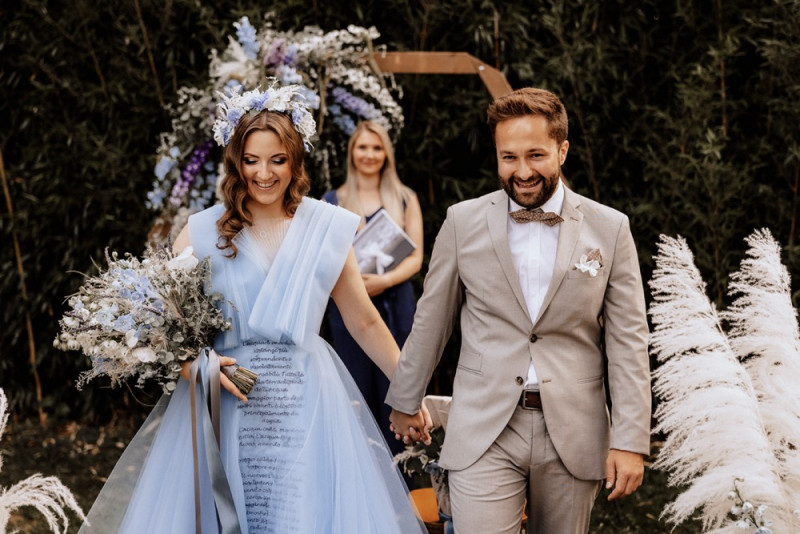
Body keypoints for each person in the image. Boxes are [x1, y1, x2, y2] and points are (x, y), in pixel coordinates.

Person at [79, 85, 428, 533]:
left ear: (295, 160)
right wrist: (193, 367)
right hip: (225, 405)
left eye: (277, 160)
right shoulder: (202, 231)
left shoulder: (328, 228)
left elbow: (362, 320)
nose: (264, 173)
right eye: (251, 160)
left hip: (305, 403)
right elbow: (156, 325)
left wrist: (408, 390)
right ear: (235, 162)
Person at [387, 87, 651, 534]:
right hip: (484, 426)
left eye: (536, 155)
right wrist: (404, 400)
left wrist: (630, 440)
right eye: (508, 158)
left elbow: (628, 341)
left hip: (574, 428)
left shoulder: (611, 228)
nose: (522, 171)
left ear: (562, 150)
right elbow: (433, 320)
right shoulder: (462, 221)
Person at [322, 121, 423, 455]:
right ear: (352, 152)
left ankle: (404, 481)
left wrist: (384, 281)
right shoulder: (332, 201)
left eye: (376, 147)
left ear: (386, 154)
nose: (369, 154)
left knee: (396, 387)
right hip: (349, 310)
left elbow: (417, 256)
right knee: (357, 392)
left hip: (396, 304)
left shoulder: (406, 198)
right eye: (362, 147)